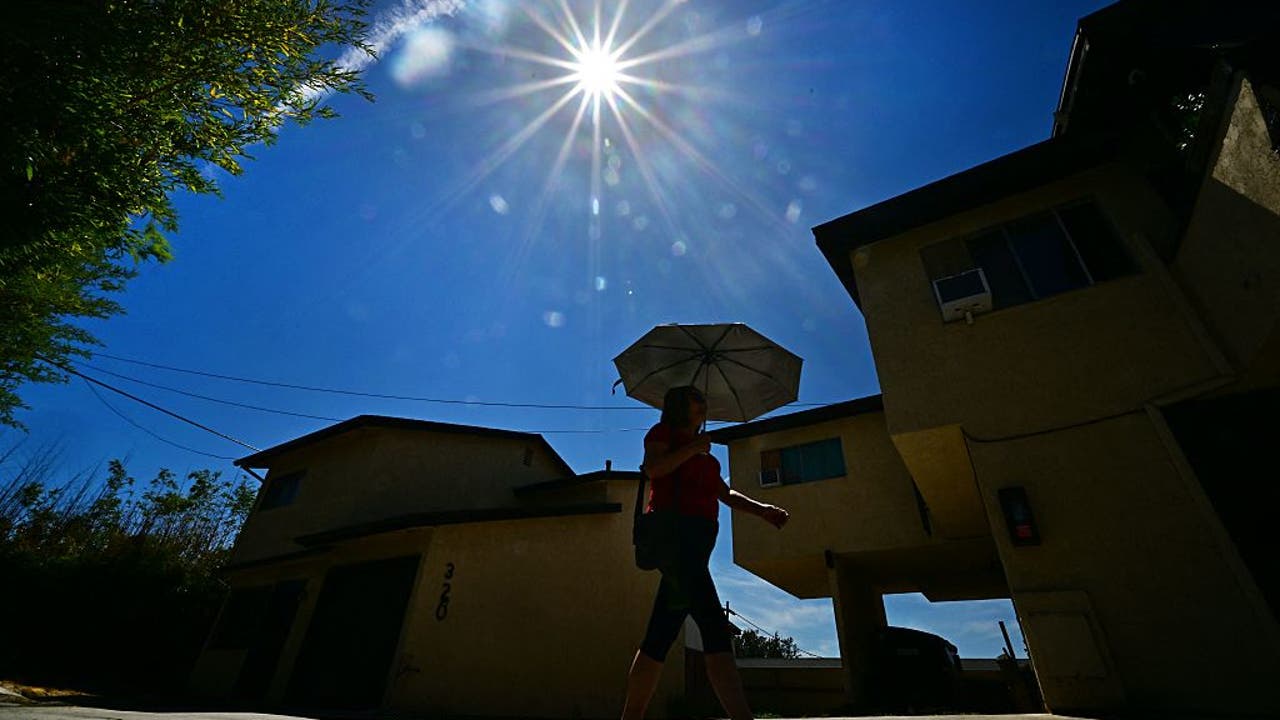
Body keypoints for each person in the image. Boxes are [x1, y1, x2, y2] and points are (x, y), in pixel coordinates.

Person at [620, 385, 790, 720]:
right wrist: (693, 448)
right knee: (713, 628)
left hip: (696, 551)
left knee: (659, 636)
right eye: (696, 399)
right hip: (677, 545)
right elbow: (654, 468)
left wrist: (763, 510)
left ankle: (631, 716)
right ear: (679, 405)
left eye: (703, 401)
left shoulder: (708, 459)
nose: (704, 405)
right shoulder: (663, 434)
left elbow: (725, 494)